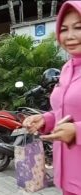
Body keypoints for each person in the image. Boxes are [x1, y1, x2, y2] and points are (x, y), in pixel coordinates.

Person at [23, 1, 81, 195]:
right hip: (67, 178)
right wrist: (46, 119)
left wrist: (76, 131)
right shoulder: (66, 68)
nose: (70, 36)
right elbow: (67, 112)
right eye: (64, 29)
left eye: (78, 28)